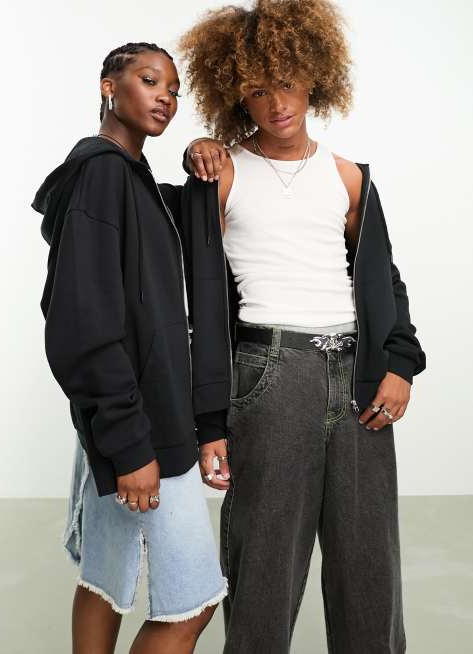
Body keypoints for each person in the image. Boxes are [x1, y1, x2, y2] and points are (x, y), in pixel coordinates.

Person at [177, 1, 426, 652]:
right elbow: (194, 294)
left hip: (357, 377)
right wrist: (209, 424)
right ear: (238, 95)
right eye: (257, 90)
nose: (276, 102)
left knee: (368, 563)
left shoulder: (348, 177)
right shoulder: (221, 173)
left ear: (314, 77)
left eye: (286, 83)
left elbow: (385, 281)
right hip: (269, 374)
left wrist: (400, 363)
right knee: (264, 560)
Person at [31, 42, 229, 654]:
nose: (165, 97)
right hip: (139, 433)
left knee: (105, 580)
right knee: (194, 602)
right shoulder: (103, 175)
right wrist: (129, 442)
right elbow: (81, 322)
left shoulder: (132, 182)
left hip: (123, 423)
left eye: (174, 89)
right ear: (108, 87)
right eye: (149, 80)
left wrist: (205, 156)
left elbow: (190, 219)